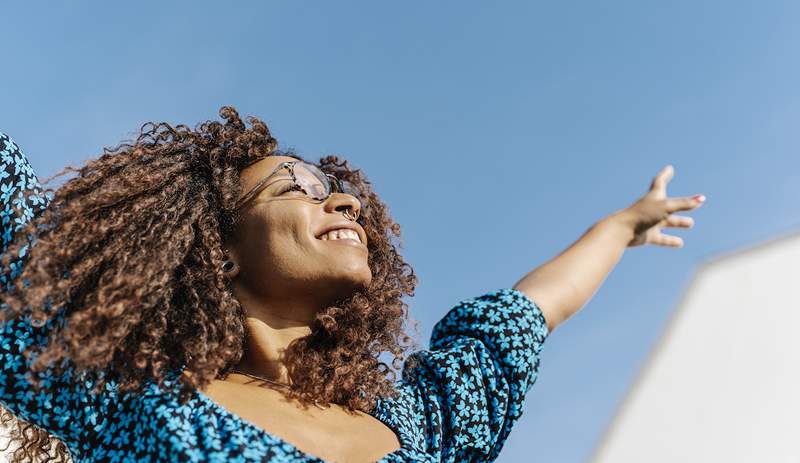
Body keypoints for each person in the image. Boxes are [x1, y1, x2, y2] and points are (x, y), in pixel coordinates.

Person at [0, 106, 704, 463]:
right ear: (220, 254)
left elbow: (519, 319)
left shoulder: (421, 429)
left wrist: (619, 226)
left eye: (338, 191)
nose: (345, 202)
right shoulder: (128, 397)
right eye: (298, 189)